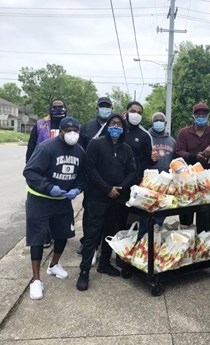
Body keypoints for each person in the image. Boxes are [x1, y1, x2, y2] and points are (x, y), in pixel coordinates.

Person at [23, 117, 85, 300]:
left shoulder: (80, 151)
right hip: (40, 199)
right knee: (38, 238)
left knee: (63, 233)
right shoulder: (46, 148)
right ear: (61, 132)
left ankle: (54, 265)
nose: (72, 133)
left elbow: (82, 176)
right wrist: (48, 187)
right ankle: (36, 280)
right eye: (68, 130)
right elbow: (30, 172)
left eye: (75, 130)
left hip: (62, 200)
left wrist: (78, 188)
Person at [77, 113, 137, 291]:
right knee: (92, 235)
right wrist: (106, 189)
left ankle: (104, 263)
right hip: (97, 197)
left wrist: (120, 188)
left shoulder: (126, 148)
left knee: (110, 232)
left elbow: (132, 172)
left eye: (119, 124)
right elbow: (90, 169)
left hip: (117, 198)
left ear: (123, 128)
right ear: (107, 125)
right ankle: (84, 272)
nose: (116, 127)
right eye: (112, 123)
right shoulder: (96, 144)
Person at [175, 102, 210, 231]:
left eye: (204, 114)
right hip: (187, 178)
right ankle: (186, 238)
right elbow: (178, 151)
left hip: (206, 179)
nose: (201, 117)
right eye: (198, 114)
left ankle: (202, 241)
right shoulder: (185, 133)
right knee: (186, 212)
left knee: (204, 211)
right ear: (194, 116)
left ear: (208, 116)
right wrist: (193, 156)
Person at [26, 98, 68, 248]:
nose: (58, 109)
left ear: (65, 108)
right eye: (55, 107)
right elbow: (31, 149)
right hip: (42, 172)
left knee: (59, 207)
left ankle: (58, 234)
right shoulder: (40, 125)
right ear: (50, 108)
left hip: (63, 171)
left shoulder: (70, 126)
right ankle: (45, 237)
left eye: (60, 107)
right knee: (42, 208)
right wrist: (30, 170)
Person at [76, 96, 113, 259]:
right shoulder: (86, 128)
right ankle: (88, 243)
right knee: (89, 213)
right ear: (97, 108)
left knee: (108, 214)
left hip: (111, 178)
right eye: (102, 106)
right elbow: (79, 152)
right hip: (91, 178)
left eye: (108, 106)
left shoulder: (114, 125)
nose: (105, 109)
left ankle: (104, 245)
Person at [118, 101, 158, 237]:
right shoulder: (117, 129)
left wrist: (154, 159)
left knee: (132, 219)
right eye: (133, 111)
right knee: (113, 219)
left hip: (134, 184)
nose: (136, 115)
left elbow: (149, 161)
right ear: (126, 112)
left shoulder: (145, 135)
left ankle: (129, 246)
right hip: (114, 181)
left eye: (139, 113)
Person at [148, 111, 176, 227]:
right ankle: (145, 237)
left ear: (165, 123)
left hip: (166, 183)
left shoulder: (172, 141)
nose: (158, 122)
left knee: (162, 211)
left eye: (161, 120)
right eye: (156, 120)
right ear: (152, 123)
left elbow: (175, 161)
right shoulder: (146, 138)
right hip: (150, 182)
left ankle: (156, 235)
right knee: (148, 211)